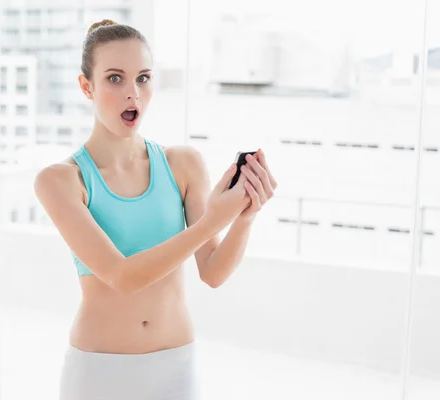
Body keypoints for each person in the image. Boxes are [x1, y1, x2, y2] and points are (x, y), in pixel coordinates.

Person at [34, 19, 277, 400]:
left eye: (143, 78)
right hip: (97, 371)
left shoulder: (182, 164)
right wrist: (216, 218)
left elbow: (212, 272)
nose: (133, 94)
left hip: (175, 366)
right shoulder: (61, 180)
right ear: (87, 87)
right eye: (115, 79)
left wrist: (245, 215)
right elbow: (122, 276)